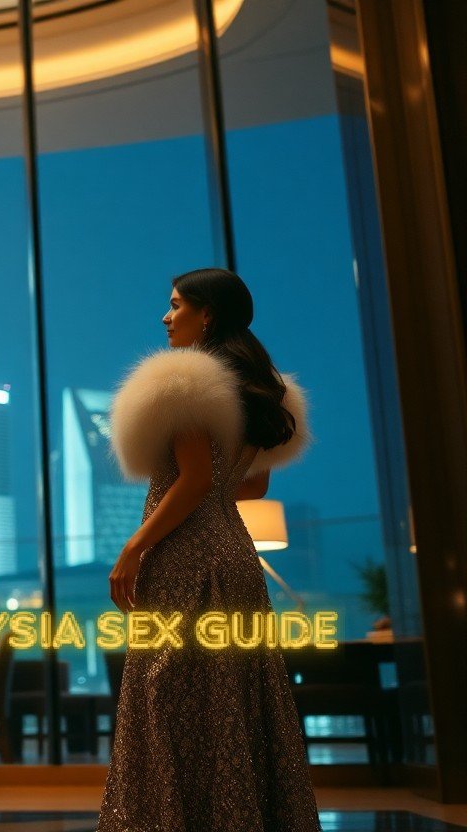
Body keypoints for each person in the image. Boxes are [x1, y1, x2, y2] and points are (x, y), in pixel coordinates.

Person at [97, 268, 322, 831]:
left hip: (186, 556)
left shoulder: (186, 382)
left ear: (208, 315)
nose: (165, 317)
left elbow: (194, 480)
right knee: (233, 701)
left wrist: (135, 545)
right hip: (236, 558)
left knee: (167, 697)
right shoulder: (256, 390)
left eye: (176, 306)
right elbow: (253, 485)